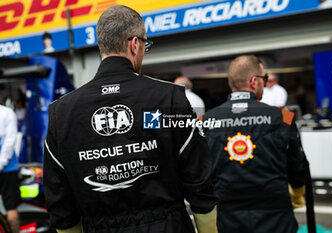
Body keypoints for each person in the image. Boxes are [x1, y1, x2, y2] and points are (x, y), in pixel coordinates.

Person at [43, 5, 217, 233]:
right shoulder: (169, 97)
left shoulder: (61, 112)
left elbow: (61, 206)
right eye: (146, 45)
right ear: (134, 44)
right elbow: (200, 184)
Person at [203, 55, 307, 233]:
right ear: (254, 81)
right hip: (276, 218)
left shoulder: (205, 122)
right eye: (264, 78)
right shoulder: (283, 118)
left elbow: (200, 173)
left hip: (228, 219)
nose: (265, 83)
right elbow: (297, 167)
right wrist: (297, 195)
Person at [0, 104, 20, 233]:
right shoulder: (7, 112)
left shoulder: (7, 113)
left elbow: (10, 141)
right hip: (7, 167)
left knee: (11, 208)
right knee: (11, 207)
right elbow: (10, 140)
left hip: (8, 168)